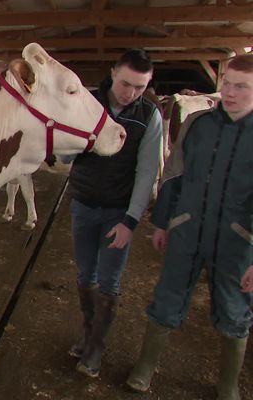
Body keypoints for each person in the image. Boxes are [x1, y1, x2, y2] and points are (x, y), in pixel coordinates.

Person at [126, 54, 253, 400]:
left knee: (235, 308)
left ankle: (227, 383)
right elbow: (175, 174)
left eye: (240, 87)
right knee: (167, 295)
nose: (229, 92)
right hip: (188, 227)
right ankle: (146, 366)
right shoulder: (198, 123)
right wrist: (164, 222)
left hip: (239, 238)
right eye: (226, 83)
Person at [64, 49, 162, 377]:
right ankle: (87, 333)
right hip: (83, 203)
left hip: (117, 212)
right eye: (125, 83)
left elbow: (147, 171)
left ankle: (95, 349)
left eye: (139, 87)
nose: (130, 92)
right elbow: (65, 156)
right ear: (112, 72)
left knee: (109, 279)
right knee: (84, 275)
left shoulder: (149, 115)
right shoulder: (88, 103)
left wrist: (131, 221)